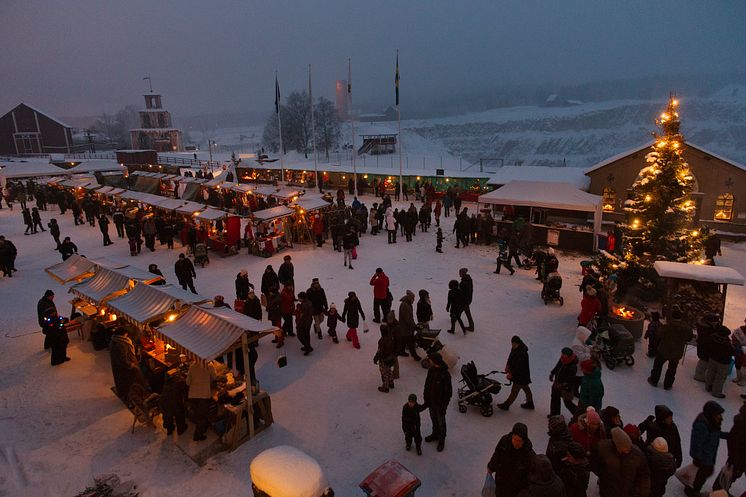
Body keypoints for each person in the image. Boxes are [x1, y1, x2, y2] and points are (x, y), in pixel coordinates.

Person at [591, 427, 651, 497]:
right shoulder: (602, 448)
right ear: (617, 446)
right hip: (608, 491)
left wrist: (643, 493)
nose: (628, 450)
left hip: (628, 492)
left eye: (629, 447)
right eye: (625, 448)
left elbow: (644, 475)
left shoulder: (637, 454)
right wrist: (604, 476)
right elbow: (593, 464)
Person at [685, 401, 727, 497]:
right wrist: (697, 458)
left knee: (704, 473)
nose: (721, 417)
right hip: (703, 458)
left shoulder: (712, 423)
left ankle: (692, 487)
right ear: (712, 414)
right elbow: (696, 444)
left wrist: (727, 435)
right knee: (702, 474)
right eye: (718, 414)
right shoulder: (702, 426)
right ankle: (693, 490)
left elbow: (715, 434)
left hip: (709, 456)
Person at [647, 308, 692, 390]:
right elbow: (689, 338)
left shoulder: (668, 327)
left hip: (664, 350)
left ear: (672, 317)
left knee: (658, 365)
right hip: (677, 352)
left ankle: (654, 380)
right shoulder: (687, 328)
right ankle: (668, 385)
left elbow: (659, 334)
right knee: (672, 369)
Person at [487, 422, 535, 497]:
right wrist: (491, 466)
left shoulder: (529, 455)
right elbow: (497, 455)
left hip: (516, 489)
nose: (515, 443)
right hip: (501, 482)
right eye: (514, 439)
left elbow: (530, 476)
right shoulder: (504, 441)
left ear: (524, 440)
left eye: (519, 441)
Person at [423, 352, 452, 452]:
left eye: (430, 359)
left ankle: (441, 439)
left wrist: (444, 406)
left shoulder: (445, 375)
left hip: (439, 404)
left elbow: (448, 393)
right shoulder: (431, 370)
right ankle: (435, 434)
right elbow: (427, 385)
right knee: (433, 418)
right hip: (431, 402)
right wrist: (426, 398)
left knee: (441, 422)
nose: (429, 360)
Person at [714, 401, 746, 492]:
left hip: (738, 455)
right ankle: (719, 491)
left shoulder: (741, 419)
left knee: (730, 472)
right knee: (732, 472)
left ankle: (720, 489)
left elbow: (733, 437)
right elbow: (734, 439)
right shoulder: (743, 422)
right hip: (739, 456)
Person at [109, 327, 146, 401]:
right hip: (126, 368)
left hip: (120, 367)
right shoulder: (121, 344)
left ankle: (128, 394)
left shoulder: (114, 341)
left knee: (125, 382)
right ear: (123, 334)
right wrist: (132, 365)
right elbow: (123, 359)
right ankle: (132, 396)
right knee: (131, 382)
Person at [498, 336, 534, 410]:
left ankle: (506, 405)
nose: (513, 346)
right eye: (512, 344)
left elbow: (519, 366)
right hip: (521, 375)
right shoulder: (515, 348)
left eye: (514, 344)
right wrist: (508, 365)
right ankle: (530, 403)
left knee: (514, 391)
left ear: (518, 343)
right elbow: (511, 357)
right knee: (525, 388)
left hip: (520, 375)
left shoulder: (522, 353)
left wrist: (512, 374)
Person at [186, 361, 216, 441]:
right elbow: (214, 377)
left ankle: (202, 429)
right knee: (202, 417)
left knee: (197, 415)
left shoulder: (192, 366)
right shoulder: (209, 365)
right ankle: (197, 436)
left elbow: (187, 382)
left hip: (193, 396)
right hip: (203, 395)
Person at [705, 324, 733, 398]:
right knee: (720, 377)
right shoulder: (727, 343)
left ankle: (708, 386)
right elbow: (732, 352)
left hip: (712, 358)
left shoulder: (712, 337)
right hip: (723, 362)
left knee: (710, 373)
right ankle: (716, 392)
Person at [549, 347, 579, 418]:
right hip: (557, 382)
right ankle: (554, 414)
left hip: (566, 387)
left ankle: (577, 415)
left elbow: (570, 379)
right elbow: (558, 366)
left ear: (569, 356)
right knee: (554, 398)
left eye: (564, 355)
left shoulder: (573, 366)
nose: (562, 356)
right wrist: (552, 373)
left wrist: (562, 385)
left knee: (567, 403)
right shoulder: (563, 359)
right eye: (562, 354)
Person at [373, 324, 397, 392]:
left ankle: (386, 387)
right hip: (391, 357)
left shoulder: (382, 341)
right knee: (389, 370)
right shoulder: (391, 338)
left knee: (384, 373)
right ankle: (391, 383)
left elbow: (380, 351)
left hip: (384, 359)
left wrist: (376, 358)